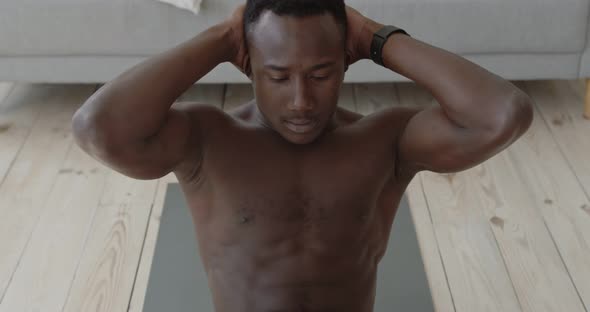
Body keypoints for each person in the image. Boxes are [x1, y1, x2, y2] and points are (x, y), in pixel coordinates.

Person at [71, 0, 533, 311]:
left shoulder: (385, 140)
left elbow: (503, 114)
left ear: (347, 59)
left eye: (320, 74)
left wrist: (376, 36)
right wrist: (221, 37)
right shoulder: (207, 140)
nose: (300, 101)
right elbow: (97, 128)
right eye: (277, 76)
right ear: (247, 61)